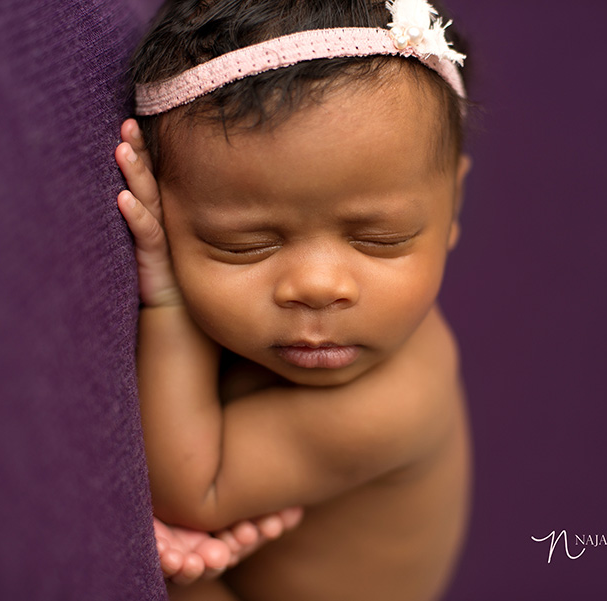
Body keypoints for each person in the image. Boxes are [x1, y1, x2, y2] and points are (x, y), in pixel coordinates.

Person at [115, 0, 472, 599]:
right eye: (243, 244)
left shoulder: (397, 400)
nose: (317, 287)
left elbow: (190, 490)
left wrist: (171, 304)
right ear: (164, 207)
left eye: (378, 240)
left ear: (454, 202)